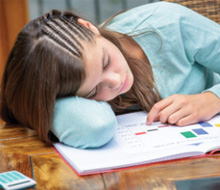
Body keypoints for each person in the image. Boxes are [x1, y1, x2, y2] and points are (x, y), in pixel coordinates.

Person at [1, 2, 220, 148]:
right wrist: (48, 103)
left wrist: (212, 100)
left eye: (106, 62)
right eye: (96, 89)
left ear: (89, 27)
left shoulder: (169, 23)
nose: (115, 82)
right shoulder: (75, 88)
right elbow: (96, 127)